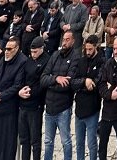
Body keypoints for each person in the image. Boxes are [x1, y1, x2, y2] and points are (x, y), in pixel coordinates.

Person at [0, 36, 27, 160]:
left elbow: (17, 86)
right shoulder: (3, 59)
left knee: (4, 147)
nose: (6, 51)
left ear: (17, 48)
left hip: (7, 110)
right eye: (5, 48)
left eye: (9, 49)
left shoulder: (22, 62)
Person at [40, 30, 80, 160]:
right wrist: (56, 79)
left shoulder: (75, 57)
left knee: (66, 142)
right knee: (48, 142)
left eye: (68, 39)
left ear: (73, 41)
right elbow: (43, 79)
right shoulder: (55, 55)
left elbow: (67, 83)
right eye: (64, 39)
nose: (65, 42)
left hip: (63, 107)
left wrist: (51, 81)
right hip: (49, 107)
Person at [71, 35, 104, 160]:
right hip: (79, 108)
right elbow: (73, 82)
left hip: (92, 108)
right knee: (79, 143)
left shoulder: (102, 62)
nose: (88, 52)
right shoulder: (81, 61)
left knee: (91, 143)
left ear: (96, 47)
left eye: (90, 49)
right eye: (86, 49)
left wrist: (84, 84)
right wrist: (85, 81)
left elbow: (96, 84)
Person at [18, 36, 50, 160]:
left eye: (35, 52)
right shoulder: (29, 60)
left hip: (35, 105)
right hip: (23, 103)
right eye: (31, 52)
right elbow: (22, 76)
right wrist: (20, 91)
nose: (33, 54)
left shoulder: (47, 60)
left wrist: (30, 92)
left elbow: (42, 83)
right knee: (24, 139)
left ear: (42, 49)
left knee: (35, 140)